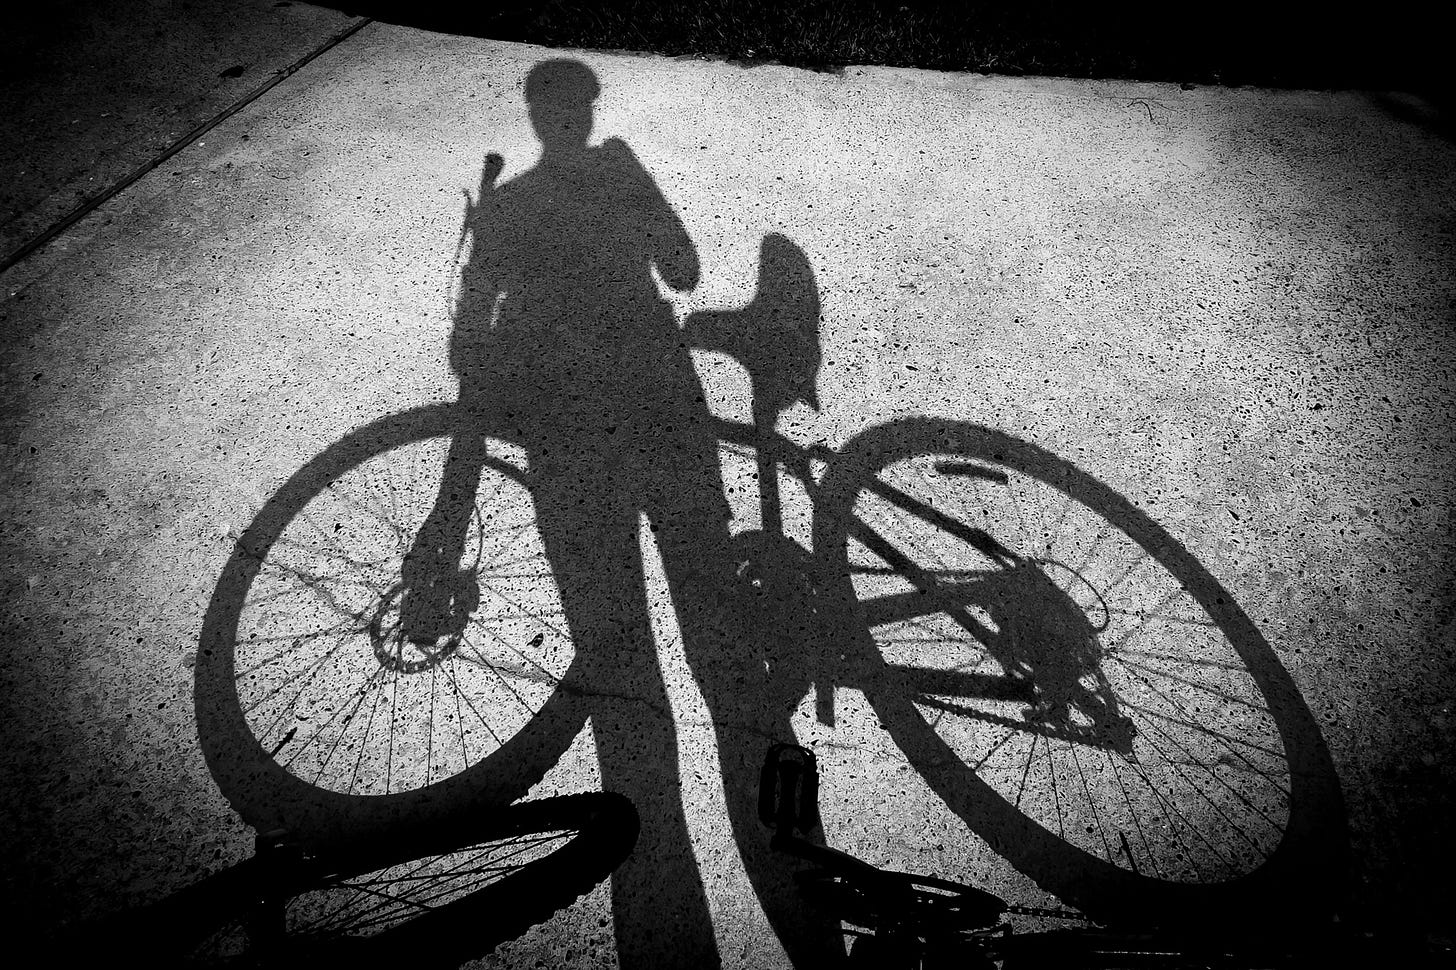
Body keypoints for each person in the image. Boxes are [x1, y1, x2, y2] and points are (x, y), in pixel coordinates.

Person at [404, 59, 841, 967]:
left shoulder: (508, 209)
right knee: (736, 680)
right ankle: (815, 910)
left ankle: (668, 936)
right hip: (665, 421)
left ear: (535, 117)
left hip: (572, 456)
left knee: (627, 698)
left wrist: (489, 267)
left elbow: (468, 363)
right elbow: (681, 269)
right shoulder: (617, 170)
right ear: (583, 112)